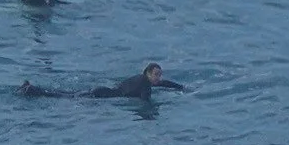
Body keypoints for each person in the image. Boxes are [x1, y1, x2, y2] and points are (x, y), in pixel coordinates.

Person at [19, 62, 188, 99]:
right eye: (156, 74)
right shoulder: (145, 86)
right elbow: (146, 103)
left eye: (160, 74)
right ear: (148, 74)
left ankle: (34, 89)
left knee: (68, 95)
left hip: (103, 91)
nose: (159, 77)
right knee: (66, 97)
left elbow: (164, 83)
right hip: (102, 96)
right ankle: (34, 91)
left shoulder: (143, 79)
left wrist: (179, 87)